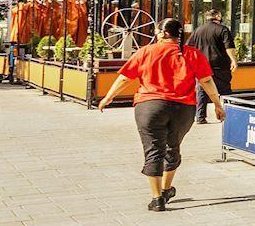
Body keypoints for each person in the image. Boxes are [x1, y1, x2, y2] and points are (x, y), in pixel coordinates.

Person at [96, 20, 228, 211]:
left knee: (154, 150)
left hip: (150, 107)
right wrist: (217, 105)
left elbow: (125, 78)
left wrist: (108, 97)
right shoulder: (191, 53)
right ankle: (166, 189)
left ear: (163, 33)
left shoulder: (146, 52)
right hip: (183, 109)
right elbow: (206, 80)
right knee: (172, 148)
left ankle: (157, 198)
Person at [188, 10, 236, 125]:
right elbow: (229, 47)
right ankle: (226, 115)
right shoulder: (223, 29)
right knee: (224, 90)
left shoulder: (198, 30)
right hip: (220, 65)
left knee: (202, 91)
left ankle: (200, 117)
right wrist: (233, 60)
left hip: (201, 65)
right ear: (218, 16)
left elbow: (189, 46)